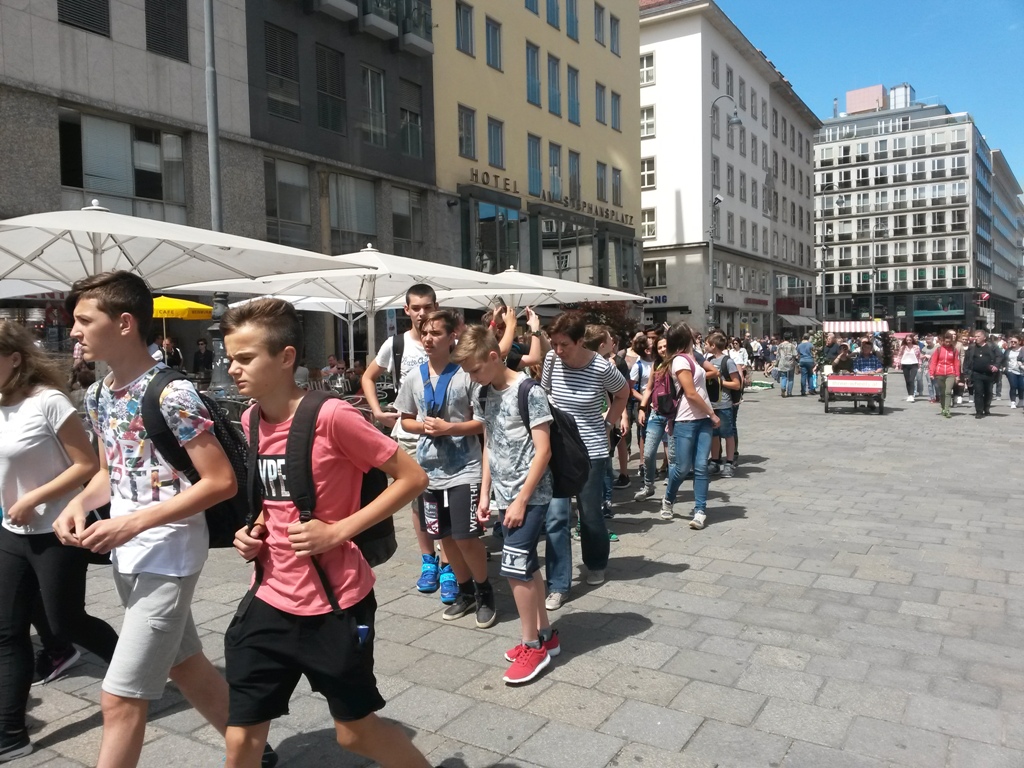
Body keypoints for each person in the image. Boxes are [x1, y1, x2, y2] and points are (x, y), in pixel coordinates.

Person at [52, 271, 272, 768]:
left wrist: (132, 523)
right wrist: (78, 504)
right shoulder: (99, 393)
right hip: (128, 555)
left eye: (84, 320)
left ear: (124, 323)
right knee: (186, 665)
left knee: (120, 699)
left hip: (168, 557)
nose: (74, 331)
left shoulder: (172, 394)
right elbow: (110, 473)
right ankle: (254, 749)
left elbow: (220, 482)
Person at [220, 298, 431, 768]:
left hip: (335, 602)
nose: (233, 369)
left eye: (246, 358)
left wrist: (337, 533)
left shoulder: (333, 416)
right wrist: (253, 530)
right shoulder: (251, 419)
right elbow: (274, 498)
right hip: (268, 597)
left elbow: (413, 477)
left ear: (286, 357)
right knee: (241, 741)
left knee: (355, 735)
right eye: (230, 358)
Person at [0, 322, 118, 762]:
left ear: (14, 358)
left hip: (57, 531)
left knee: (66, 621)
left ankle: (131, 667)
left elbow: (86, 464)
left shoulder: (48, 401)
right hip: (10, 533)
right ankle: (10, 734)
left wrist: (33, 498)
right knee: (7, 631)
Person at [453, 326, 559, 685]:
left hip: (531, 495)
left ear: (493, 357)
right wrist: (485, 494)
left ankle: (532, 646)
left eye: (474, 369)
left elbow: (544, 451)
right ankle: (545, 635)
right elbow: (490, 445)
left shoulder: (530, 391)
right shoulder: (484, 392)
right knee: (525, 565)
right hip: (504, 494)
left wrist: (521, 500)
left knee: (515, 568)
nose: (472, 376)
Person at [395, 309, 494, 628]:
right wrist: (425, 427)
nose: (428, 338)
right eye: (424, 332)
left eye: (436, 333)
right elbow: (405, 419)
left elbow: (483, 423)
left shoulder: (465, 374)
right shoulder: (415, 376)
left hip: (465, 467)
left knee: (466, 535)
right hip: (429, 471)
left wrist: (450, 428)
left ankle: (484, 592)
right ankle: (464, 592)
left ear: (453, 336)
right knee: (444, 536)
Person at [360, 285, 443, 597]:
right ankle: (428, 560)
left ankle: (449, 563)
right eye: (416, 308)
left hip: (446, 434)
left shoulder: (448, 340)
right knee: (419, 499)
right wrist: (377, 411)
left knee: (443, 498)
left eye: (427, 307)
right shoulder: (396, 344)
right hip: (408, 434)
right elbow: (368, 376)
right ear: (406, 310)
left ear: (436, 306)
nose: (422, 313)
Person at [541, 313, 628, 610]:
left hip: (591, 449)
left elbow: (623, 394)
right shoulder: (552, 361)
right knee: (556, 517)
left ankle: (596, 562)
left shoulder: (601, 367)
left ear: (580, 341)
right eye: (554, 343)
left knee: (589, 514)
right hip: (557, 448)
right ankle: (558, 584)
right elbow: (544, 394)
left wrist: (609, 423)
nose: (558, 350)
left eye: (564, 344)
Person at [660, 323, 719, 529]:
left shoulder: (693, 356)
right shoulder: (679, 361)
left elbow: (706, 367)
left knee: (701, 466)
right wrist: (712, 413)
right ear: (685, 338)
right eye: (690, 333)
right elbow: (691, 393)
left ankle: (700, 510)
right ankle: (668, 499)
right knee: (683, 468)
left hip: (703, 420)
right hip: (686, 420)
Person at [634, 336, 674, 502]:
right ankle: (649, 486)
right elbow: (649, 388)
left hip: (674, 415)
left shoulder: (677, 363)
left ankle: (671, 491)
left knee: (673, 457)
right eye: (660, 347)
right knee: (649, 454)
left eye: (665, 346)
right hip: (656, 413)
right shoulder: (656, 365)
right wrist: (642, 408)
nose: (663, 349)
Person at [705, 333, 740, 479]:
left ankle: (729, 462)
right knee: (714, 434)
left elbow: (736, 384)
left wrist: (720, 382)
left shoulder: (727, 361)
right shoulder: (708, 360)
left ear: (713, 346)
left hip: (724, 403)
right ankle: (715, 461)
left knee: (727, 433)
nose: (704, 346)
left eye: (707, 344)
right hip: (711, 404)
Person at [628, 336, 653, 486]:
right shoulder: (638, 366)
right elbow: (630, 388)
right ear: (647, 350)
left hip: (661, 403)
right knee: (644, 434)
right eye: (652, 343)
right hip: (645, 404)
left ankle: (666, 464)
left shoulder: (658, 362)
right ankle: (643, 463)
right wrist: (644, 399)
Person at [964, 329, 999, 418]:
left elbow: (999, 356)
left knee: (988, 392)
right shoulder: (972, 347)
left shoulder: (992, 346)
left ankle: (986, 408)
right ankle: (979, 411)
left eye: (978, 336)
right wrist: (966, 373)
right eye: (975, 336)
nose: (976, 338)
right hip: (976, 373)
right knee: (978, 392)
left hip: (989, 374)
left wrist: (996, 365)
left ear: (984, 337)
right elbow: (967, 360)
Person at [929, 331, 960, 418]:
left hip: (951, 373)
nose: (948, 343)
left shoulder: (954, 350)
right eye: (946, 341)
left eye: (949, 342)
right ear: (942, 341)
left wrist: (957, 375)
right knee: (942, 392)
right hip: (939, 373)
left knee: (948, 392)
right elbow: (933, 362)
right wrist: (932, 373)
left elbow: (956, 363)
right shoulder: (938, 350)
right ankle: (943, 407)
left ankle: (947, 409)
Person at [897, 334, 922, 403]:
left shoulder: (916, 347)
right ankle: (909, 394)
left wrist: (919, 366)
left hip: (914, 364)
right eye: (907, 340)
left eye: (910, 340)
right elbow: (899, 355)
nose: (908, 341)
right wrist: (897, 364)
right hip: (905, 364)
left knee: (911, 380)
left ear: (912, 340)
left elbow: (919, 357)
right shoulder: (903, 347)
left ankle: (912, 395)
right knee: (907, 380)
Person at [775, 333, 798, 397]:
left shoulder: (780, 345)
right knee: (791, 378)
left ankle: (783, 388)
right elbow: (795, 354)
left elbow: (778, 355)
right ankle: (789, 392)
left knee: (783, 377)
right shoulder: (792, 345)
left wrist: (776, 363)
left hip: (782, 362)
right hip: (790, 362)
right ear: (790, 338)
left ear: (783, 338)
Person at [1004, 335, 1023, 408]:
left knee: (1021, 386)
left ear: (1019, 342)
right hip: (1011, 370)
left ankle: (1021, 400)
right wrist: (1004, 367)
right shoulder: (1008, 350)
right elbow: (1004, 359)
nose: (1013, 343)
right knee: (1013, 386)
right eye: (1012, 341)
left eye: (1015, 342)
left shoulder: (1022, 350)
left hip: (1021, 371)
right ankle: (1013, 402)